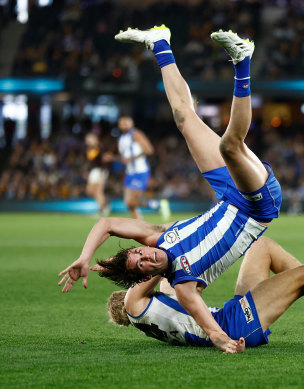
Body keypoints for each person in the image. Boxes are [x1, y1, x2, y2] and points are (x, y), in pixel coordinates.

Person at [59, 26, 285, 353]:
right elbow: (182, 297)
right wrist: (218, 337)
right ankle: (242, 63)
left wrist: (85, 256)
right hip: (253, 205)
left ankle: (161, 42)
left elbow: (107, 224)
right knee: (230, 145)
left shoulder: (156, 242)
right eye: (141, 262)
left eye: (136, 252)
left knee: (184, 117)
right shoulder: (175, 282)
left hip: (228, 197)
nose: (143, 255)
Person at [105, 236, 304, 351]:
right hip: (231, 327)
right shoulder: (133, 302)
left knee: (261, 246)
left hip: (226, 315)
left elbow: (176, 282)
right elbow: (157, 269)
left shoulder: (153, 312)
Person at [117, 115, 156, 219]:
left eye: (126, 123)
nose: (123, 125)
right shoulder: (121, 138)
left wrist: (132, 158)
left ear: (132, 124)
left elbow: (149, 150)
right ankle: (139, 222)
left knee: (131, 201)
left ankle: (153, 204)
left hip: (140, 171)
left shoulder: (136, 134)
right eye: (121, 123)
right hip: (129, 172)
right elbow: (125, 157)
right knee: (128, 203)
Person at [85, 133, 113, 217]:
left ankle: (101, 210)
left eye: (89, 139)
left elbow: (107, 158)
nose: (87, 141)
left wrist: (104, 172)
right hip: (93, 171)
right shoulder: (89, 149)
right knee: (89, 191)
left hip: (100, 171)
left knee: (98, 191)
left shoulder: (100, 148)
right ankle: (106, 203)